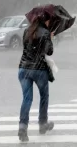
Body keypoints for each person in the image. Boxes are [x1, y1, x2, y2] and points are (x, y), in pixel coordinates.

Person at [18, 12, 55, 142]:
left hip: (23, 69)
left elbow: (27, 48)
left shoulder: (26, 31)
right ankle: (42, 124)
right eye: (49, 21)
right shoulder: (45, 33)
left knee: (27, 99)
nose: (49, 23)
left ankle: (22, 127)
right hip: (39, 70)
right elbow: (49, 51)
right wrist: (50, 37)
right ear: (45, 21)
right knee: (44, 96)